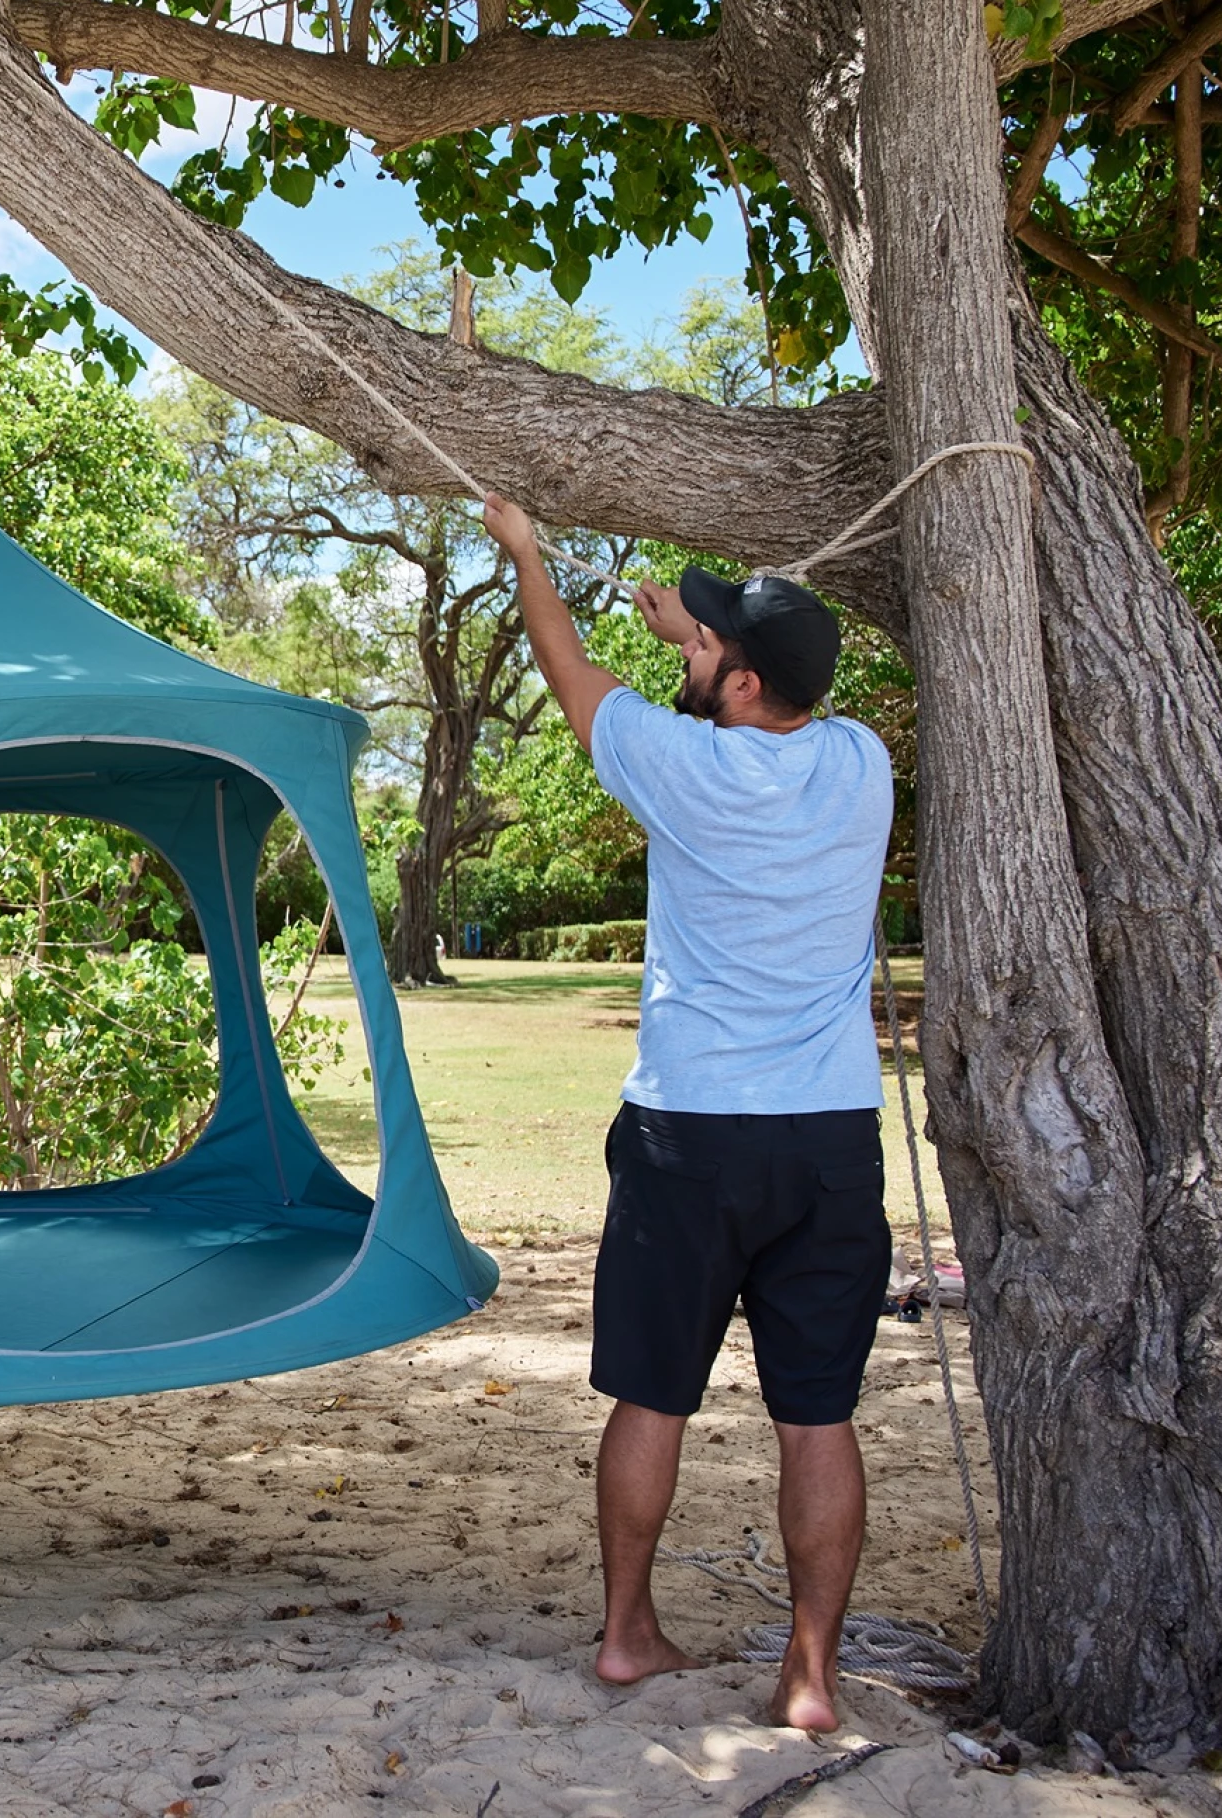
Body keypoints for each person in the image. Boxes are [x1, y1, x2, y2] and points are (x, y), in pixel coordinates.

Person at [484, 493, 894, 1733]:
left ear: (743, 681)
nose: (688, 644)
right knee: (817, 1417)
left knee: (653, 1394)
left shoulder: (681, 770)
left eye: (708, 642)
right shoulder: (861, 761)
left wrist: (527, 555)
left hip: (688, 1133)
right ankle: (810, 1677)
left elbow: (566, 665)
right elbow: (748, 688)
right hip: (826, 1138)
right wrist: (696, 636)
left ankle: (627, 1633)